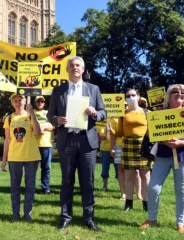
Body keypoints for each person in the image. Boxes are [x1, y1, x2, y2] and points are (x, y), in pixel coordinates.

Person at [47, 56, 106, 231]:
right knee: (67, 181)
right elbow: (50, 115)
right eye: (71, 65)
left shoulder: (93, 89)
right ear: (67, 69)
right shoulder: (58, 91)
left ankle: (89, 218)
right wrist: (56, 119)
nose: (75, 68)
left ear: (83, 68)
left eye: (78, 65)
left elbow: (104, 112)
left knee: (88, 182)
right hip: (67, 141)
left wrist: (95, 113)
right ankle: (66, 217)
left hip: (87, 141)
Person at [141, 84, 184, 233]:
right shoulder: (160, 113)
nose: (180, 94)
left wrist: (181, 143)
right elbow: (149, 133)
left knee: (181, 190)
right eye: (176, 91)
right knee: (153, 187)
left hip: (183, 156)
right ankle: (151, 219)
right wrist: (159, 137)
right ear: (169, 95)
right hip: (163, 155)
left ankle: (180, 223)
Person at [1, 93, 41, 222]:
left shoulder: (30, 115)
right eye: (15, 100)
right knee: (15, 187)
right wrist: (3, 160)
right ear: (12, 103)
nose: (18, 102)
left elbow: (37, 132)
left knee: (30, 186)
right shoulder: (9, 118)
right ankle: (15, 213)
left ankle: (27, 213)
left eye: (20, 100)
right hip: (14, 157)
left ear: (25, 102)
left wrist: (32, 114)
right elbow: (7, 140)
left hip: (31, 156)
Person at [112, 89, 150, 212]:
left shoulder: (147, 113)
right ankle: (128, 204)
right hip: (128, 144)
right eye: (128, 96)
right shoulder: (122, 114)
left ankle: (146, 203)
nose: (131, 97)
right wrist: (110, 130)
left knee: (145, 175)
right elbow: (119, 133)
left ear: (139, 97)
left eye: (133, 95)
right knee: (129, 176)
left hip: (143, 145)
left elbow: (153, 130)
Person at [33, 95, 54, 194]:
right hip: (33, 144)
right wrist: (37, 129)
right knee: (32, 168)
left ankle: (45, 188)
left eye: (42, 101)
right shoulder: (31, 113)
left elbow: (53, 126)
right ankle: (31, 187)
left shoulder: (48, 113)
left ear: (44, 103)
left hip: (46, 144)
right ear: (35, 102)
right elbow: (28, 127)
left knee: (46, 168)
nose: (40, 103)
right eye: (38, 101)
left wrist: (44, 127)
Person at [98, 120, 118, 192]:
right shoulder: (102, 121)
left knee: (119, 170)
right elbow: (101, 138)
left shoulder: (118, 119)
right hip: (104, 149)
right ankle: (105, 186)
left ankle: (123, 189)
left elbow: (120, 134)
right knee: (104, 169)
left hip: (117, 148)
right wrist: (107, 131)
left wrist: (112, 130)